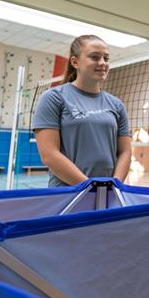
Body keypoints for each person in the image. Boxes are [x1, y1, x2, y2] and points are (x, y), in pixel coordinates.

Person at [33, 35, 131, 187]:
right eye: (94, 57)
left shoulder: (116, 105)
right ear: (75, 62)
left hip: (109, 193)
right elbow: (49, 155)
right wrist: (89, 186)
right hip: (68, 194)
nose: (102, 63)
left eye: (106, 58)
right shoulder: (54, 98)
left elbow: (125, 152)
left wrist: (115, 185)